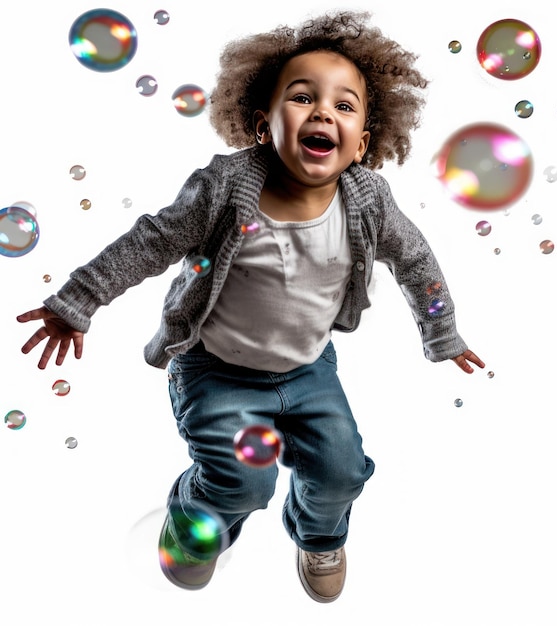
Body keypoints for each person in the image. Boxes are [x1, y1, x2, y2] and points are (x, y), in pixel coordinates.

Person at [17, 11, 484, 602]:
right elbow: (150, 241)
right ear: (264, 125)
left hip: (310, 370)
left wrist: (442, 332)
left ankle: (319, 537)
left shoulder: (366, 198)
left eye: (344, 106)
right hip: (217, 372)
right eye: (302, 98)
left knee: (341, 471)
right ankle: (192, 519)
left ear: (363, 142)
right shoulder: (224, 187)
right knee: (242, 482)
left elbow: (416, 260)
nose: (322, 113)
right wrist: (78, 300)